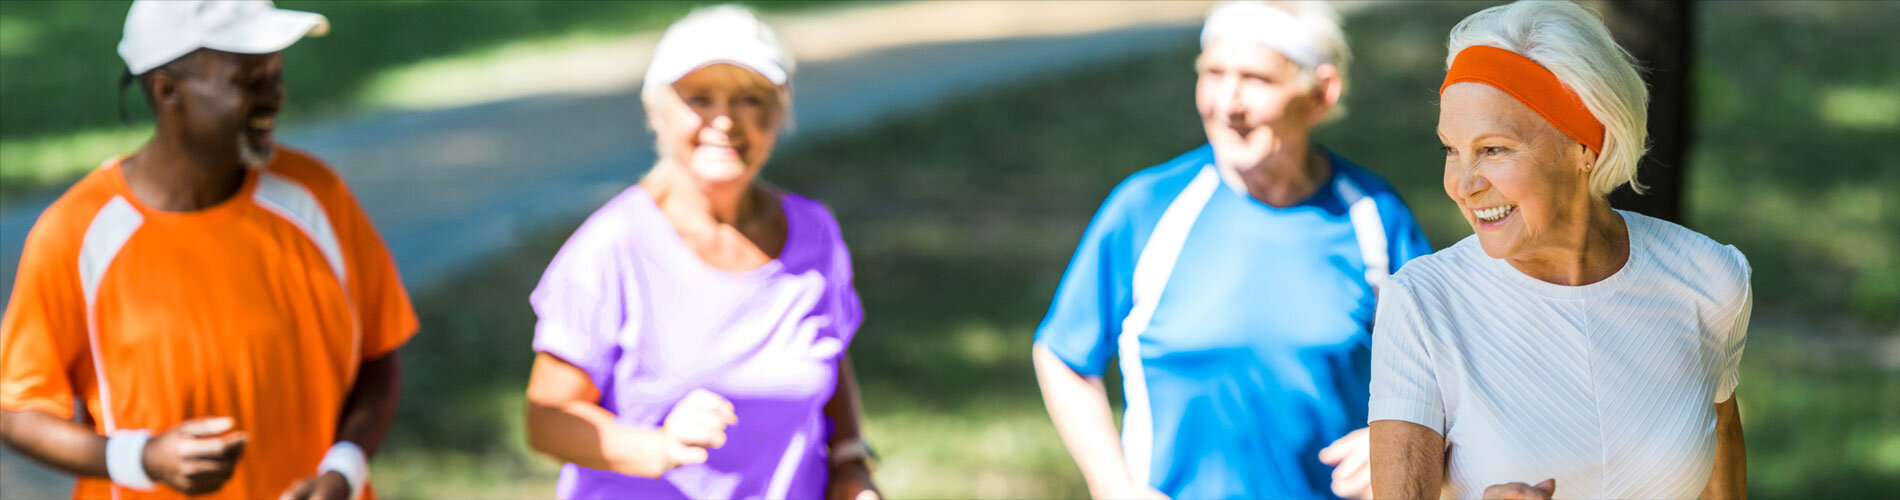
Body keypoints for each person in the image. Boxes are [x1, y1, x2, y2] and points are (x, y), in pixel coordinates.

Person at [0, 2, 416, 500]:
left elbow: (379, 355)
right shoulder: (77, 233)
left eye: (276, 74)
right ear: (167, 89)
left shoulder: (317, 197)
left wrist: (343, 472)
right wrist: (142, 459)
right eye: (248, 80)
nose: (275, 97)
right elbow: (15, 411)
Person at [1031, 1, 1432, 498]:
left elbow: (1444, 374)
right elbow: (1064, 356)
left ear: (1321, 94)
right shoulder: (1148, 208)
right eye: (1213, 74)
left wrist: (1402, 441)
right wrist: (1113, 486)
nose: (1228, 103)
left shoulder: (1374, 217)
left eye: (1256, 79)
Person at [1367, 2, 1750, 499]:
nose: (1462, 184)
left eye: (1494, 149)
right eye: (1451, 150)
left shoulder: (1707, 277)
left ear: (1586, 145)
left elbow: (1719, 447)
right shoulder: (1422, 305)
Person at [520, 6, 877, 500]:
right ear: (656, 111)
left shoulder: (814, 233)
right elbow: (546, 419)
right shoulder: (612, 247)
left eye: (751, 99)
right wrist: (656, 446)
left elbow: (829, 360)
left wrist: (850, 465)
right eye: (699, 98)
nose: (725, 120)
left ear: (782, 110)